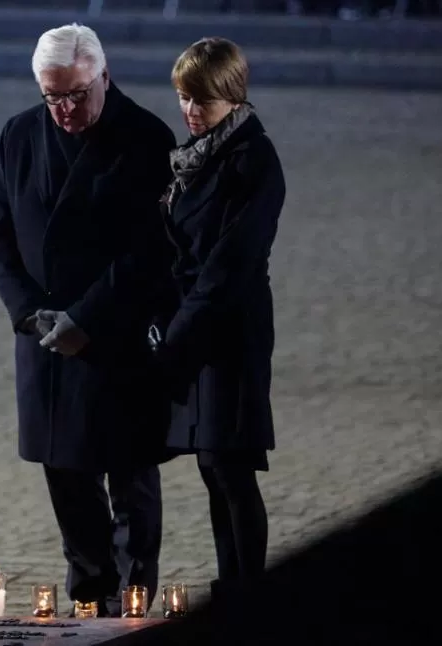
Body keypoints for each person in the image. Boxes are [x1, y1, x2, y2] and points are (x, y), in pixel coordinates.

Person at [0, 23, 176, 615]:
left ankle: (133, 599)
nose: (63, 109)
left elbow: (151, 249)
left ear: (103, 77)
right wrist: (26, 315)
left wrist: (86, 317)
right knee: (67, 474)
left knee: (130, 475)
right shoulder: (19, 134)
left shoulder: (145, 137)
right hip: (45, 340)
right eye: (52, 96)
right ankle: (91, 598)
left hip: (116, 338)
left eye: (75, 94)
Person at [149, 37, 286, 609]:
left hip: (229, 333)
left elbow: (229, 266)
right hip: (193, 326)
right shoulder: (195, 155)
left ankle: (246, 591)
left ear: (230, 93)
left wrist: (174, 344)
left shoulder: (253, 159)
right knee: (212, 466)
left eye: (199, 98)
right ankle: (232, 585)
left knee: (229, 464)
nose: (189, 110)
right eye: (183, 97)